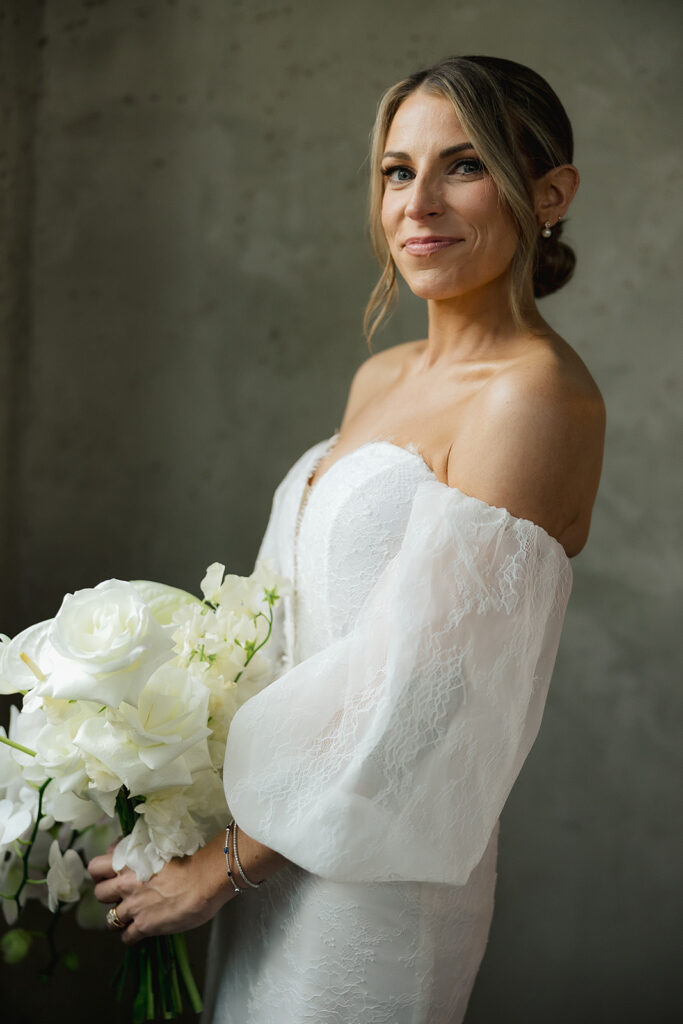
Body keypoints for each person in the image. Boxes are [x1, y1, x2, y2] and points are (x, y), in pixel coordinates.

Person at [89, 55, 605, 1022]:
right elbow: (294, 629)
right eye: (397, 171)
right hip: (266, 844)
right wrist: (172, 800)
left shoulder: (532, 398)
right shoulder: (383, 376)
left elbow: (431, 691)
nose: (420, 203)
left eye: (464, 165)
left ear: (549, 192)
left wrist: (221, 866)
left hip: (372, 871)